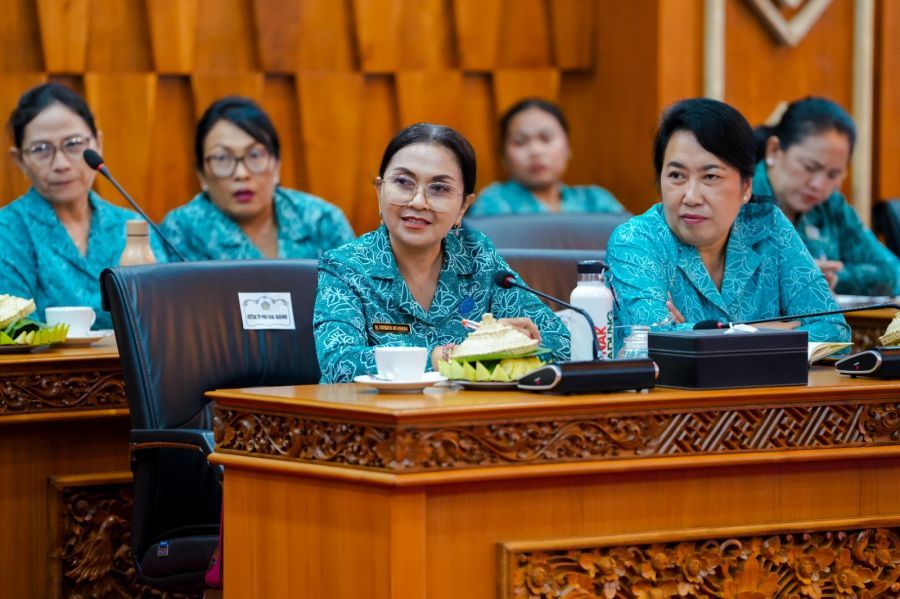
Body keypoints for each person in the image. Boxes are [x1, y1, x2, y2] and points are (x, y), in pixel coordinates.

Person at [314, 123, 570, 383]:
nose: (417, 201)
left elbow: (558, 343)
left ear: (463, 206)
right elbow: (340, 364)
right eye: (403, 182)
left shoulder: (477, 256)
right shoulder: (346, 266)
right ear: (379, 190)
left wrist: (505, 342)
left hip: (464, 417)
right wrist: (452, 355)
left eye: (439, 188)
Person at [607, 98, 850, 342]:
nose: (691, 197)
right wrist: (761, 333)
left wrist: (695, 333)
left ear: (745, 186)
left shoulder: (769, 228)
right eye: (676, 175)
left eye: (710, 176)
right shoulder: (636, 241)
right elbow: (653, 339)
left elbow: (834, 332)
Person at [0, 83, 165, 329]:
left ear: (97, 143)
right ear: (20, 160)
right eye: (41, 149)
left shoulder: (130, 225)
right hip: (44, 367)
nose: (61, 163)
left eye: (74, 143)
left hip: (136, 367)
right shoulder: (7, 229)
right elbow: (14, 328)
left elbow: (163, 315)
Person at [161, 96, 354, 261]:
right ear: (201, 175)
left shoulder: (321, 221)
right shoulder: (179, 231)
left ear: (277, 165)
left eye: (254, 155)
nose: (241, 174)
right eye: (222, 158)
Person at [753, 96, 900, 296]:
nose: (819, 185)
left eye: (833, 174)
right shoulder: (738, 195)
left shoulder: (831, 206)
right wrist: (794, 272)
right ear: (774, 150)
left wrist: (836, 278)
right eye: (810, 167)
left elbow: (893, 273)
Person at [468, 98, 625, 216]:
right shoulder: (492, 203)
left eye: (546, 138)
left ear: (567, 147)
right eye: (520, 142)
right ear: (503, 155)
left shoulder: (596, 201)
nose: (535, 151)